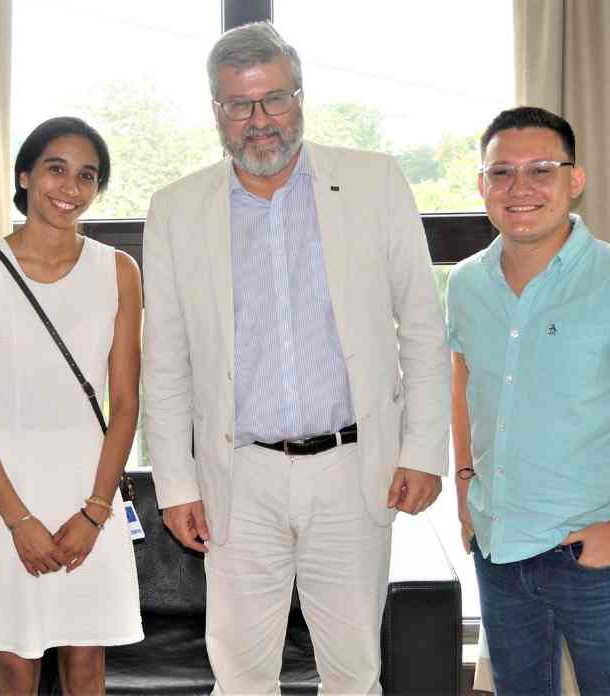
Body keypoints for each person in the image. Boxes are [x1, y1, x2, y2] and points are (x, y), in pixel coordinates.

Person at [141, 22, 450, 694]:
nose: (259, 121)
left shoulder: (374, 181)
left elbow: (424, 329)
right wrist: (176, 487)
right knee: (241, 676)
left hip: (353, 470)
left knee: (353, 672)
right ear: (216, 111)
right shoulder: (175, 210)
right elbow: (164, 363)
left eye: (274, 99)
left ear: (300, 98)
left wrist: (423, 451)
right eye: (239, 104)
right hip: (237, 476)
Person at [447, 106, 610, 696]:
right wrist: (464, 489)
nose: (520, 187)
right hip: (499, 548)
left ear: (575, 180)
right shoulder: (465, 283)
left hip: (594, 556)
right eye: (501, 172)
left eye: (541, 169)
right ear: (482, 184)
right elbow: (464, 387)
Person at [0, 116, 144, 695]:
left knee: (86, 666)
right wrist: (19, 520)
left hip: (88, 490)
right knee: (13, 668)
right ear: (25, 176)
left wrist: (96, 511)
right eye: (56, 169)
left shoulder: (119, 270)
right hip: (0, 493)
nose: (70, 187)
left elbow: (125, 403)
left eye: (87, 175)